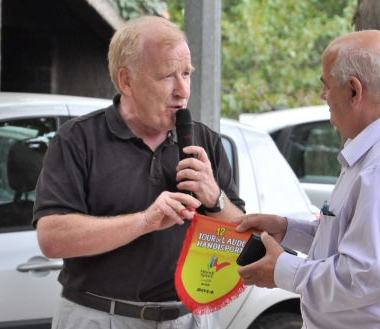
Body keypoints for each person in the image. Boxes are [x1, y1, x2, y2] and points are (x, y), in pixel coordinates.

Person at [33, 16, 245, 329]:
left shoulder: (206, 141)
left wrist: (215, 198)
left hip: (189, 318)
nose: (183, 90)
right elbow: (52, 238)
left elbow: (241, 236)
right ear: (126, 81)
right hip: (100, 317)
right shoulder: (77, 139)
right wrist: (144, 221)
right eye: (167, 76)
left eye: (186, 73)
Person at [234, 30, 380, 329]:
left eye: (326, 85)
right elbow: (354, 241)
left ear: (353, 91)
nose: (323, 96)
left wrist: (282, 270)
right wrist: (288, 230)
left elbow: (365, 277)